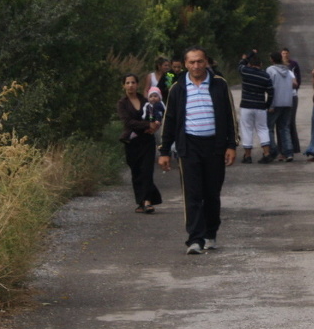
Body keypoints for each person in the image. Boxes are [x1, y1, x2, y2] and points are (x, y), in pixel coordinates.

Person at [158, 46, 239, 255]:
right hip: (189, 146)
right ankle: (195, 239)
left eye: (200, 61)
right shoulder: (177, 88)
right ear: (185, 64)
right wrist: (164, 150)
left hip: (215, 146)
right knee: (192, 193)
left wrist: (231, 145)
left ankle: (211, 233)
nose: (196, 66)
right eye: (192, 62)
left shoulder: (219, 84)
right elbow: (170, 121)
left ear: (207, 63)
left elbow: (230, 116)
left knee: (211, 193)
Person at [117, 74, 163, 214]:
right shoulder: (122, 103)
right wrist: (146, 124)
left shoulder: (146, 100)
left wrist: (154, 125)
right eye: (127, 82)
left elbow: (156, 115)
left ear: (137, 84)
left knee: (147, 170)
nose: (130, 85)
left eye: (133, 82)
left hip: (147, 140)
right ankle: (141, 202)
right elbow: (128, 122)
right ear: (124, 85)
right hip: (132, 142)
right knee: (137, 172)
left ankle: (148, 201)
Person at [238, 50, 274, 164]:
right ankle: (267, 153)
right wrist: (267, 105)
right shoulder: (265, 75)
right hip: (260, 106)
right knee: (263, 129)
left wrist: (249, 55)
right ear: (261, 65)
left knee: (247, 129)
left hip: (246, 106)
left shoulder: (245, 71)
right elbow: (271, 92)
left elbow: (240, 64)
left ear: (250, 64)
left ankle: (247, 156)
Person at [266, 51, 295, 162]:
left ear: (272, 59)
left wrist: (270, 104)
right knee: (284, 128)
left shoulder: (270, 70)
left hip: (276, 102)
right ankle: (288, 152)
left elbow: (270, 87)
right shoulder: (287, 71)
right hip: (287, 102)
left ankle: (274, 151)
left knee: (269, 127)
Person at [280, 47, 302, 155]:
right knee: (284, 123)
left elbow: (298, 79)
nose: (285, 55)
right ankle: (286, 146)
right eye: (283, 53)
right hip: (283, 96)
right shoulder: (278, 66)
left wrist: (295, 89)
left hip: (292, 94)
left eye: (286, 53)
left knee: (290, 121)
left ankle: (294, 146)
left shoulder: (293, 64)